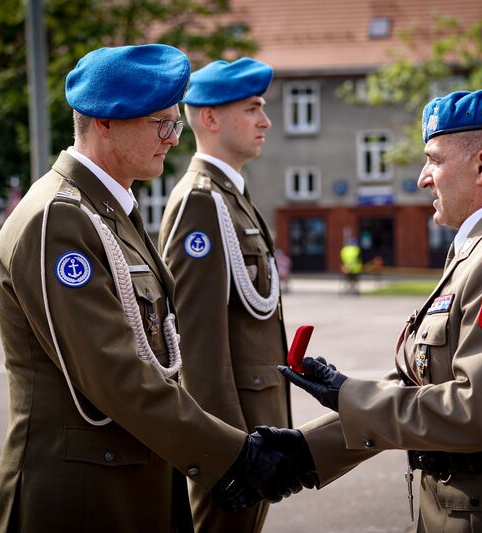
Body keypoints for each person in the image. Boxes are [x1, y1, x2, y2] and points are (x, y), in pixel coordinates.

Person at [0, 45, 310, 533]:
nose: (174, 139)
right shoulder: (60, 220)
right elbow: (115, 375)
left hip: (127, 479)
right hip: (82, 497)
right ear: (105, 122)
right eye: (161, 123)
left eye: (176, 123)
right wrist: (233, 455)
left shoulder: (107, 211)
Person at [275, 90, 482, 531]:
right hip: (474, 502)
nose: (423, 177)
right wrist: (304, 451)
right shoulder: (481, 249)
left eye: (434, 160)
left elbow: (473, 413)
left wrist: (348, 395)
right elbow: (426, 382)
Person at [158, 58, 291, 533]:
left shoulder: (230, 195)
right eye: (253, 108)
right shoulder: (201, 201)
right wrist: (226, 454)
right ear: (210, 119)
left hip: (255, 427)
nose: (266, 121)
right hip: (235, 439)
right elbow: (197, 344)